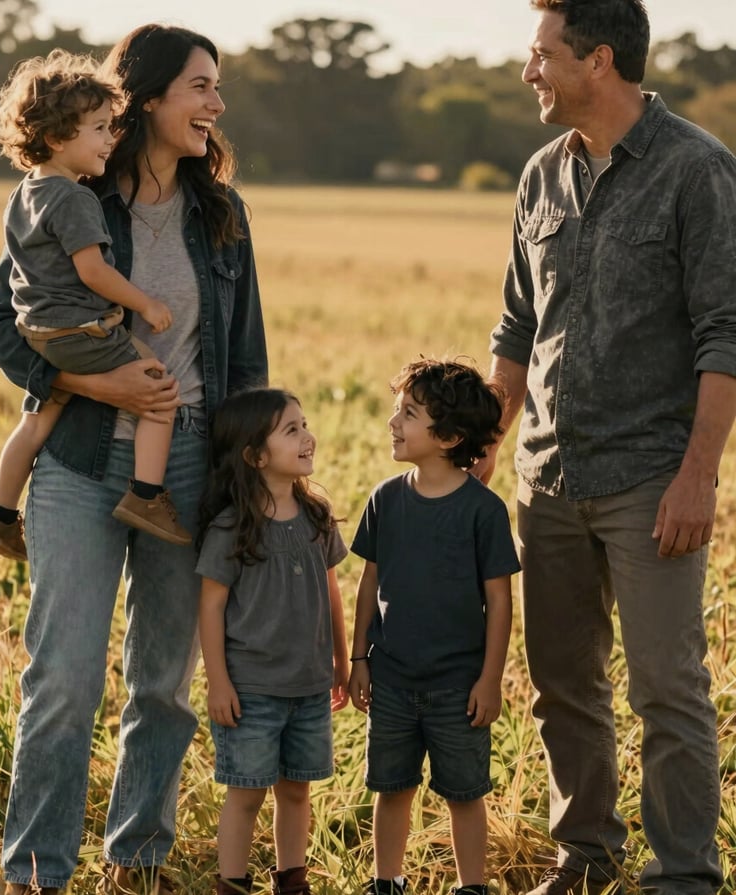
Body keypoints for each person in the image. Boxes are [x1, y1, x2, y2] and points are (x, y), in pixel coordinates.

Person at [0, 23, 268, 895]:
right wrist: (96, 387)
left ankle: (136, 858)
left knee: (164, 686)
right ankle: (36, 869)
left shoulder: (222, 213)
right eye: (201, 86)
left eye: (218, 87)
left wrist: (246, 472)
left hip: (187, 467)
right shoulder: (70, 194)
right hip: (74, 458)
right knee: (62, 676)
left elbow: (244, 355)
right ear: (146, 99)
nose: (217, 104)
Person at [484, 2, 736, 894]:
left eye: (540, 55)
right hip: (546, 477)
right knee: (562, 685)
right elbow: (517, 325)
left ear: (597, 60)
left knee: (667, 689)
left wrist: (697, 475)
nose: (529, 73)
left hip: (650, 482)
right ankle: (584, 858)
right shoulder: (540, 175)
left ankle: (684, 878)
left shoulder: (697, 170)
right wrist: (484, 450)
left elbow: (724, 333)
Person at [0, 49, 191, 561]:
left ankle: (2, 514)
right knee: (157, 388)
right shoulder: (75, 198)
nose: (110, 140)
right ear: (55, 138)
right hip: (82, 330)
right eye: (98, 128)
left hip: (40, 334)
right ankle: (146, 496)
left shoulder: (25, 192)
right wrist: (148, 304)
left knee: (37, 420)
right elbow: (93, 271)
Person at [348, 357, 520, 895]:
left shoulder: (483, 511)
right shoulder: (385, 499)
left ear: (447, 435)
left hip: (459, 688)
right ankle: (387, 881)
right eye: (397, 411)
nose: (393, 423)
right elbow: (367, 585)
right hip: (393, 682)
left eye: (408, 414)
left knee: (465, 793)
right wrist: (358, 659)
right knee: (391, 787)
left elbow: (500, 602)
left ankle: (472, 886)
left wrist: (490, 679)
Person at [195, 387, 349, 895]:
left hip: (308, 688)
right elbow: (211, 607)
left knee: (297, 792)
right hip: (252, 690)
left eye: (305, 425)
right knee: (246, 795)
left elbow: (332, 598)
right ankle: (232, 884)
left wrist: (343, 664)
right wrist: (218, 682)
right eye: (292, 430)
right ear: (255, 456)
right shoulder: (231, 527)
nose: (308, 437)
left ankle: (292, 881)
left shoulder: (317, 518)